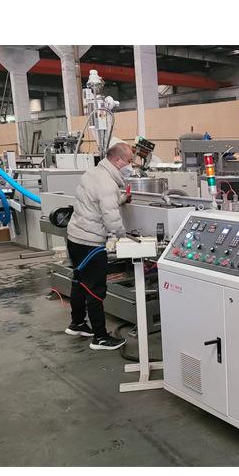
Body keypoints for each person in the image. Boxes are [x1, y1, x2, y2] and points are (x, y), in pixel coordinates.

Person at [64, 142, 134, 350]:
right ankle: (100, 337)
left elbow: (99, 201)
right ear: (118, 160)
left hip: (75, 237)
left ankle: (77, 323)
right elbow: (112, 219)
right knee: (95, 290)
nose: (131, 165)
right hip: (91, 242)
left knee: (79, 281)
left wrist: (121, 198)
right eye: (129, 161)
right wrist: (124, 238)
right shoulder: (107, 183)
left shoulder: (93, 173)